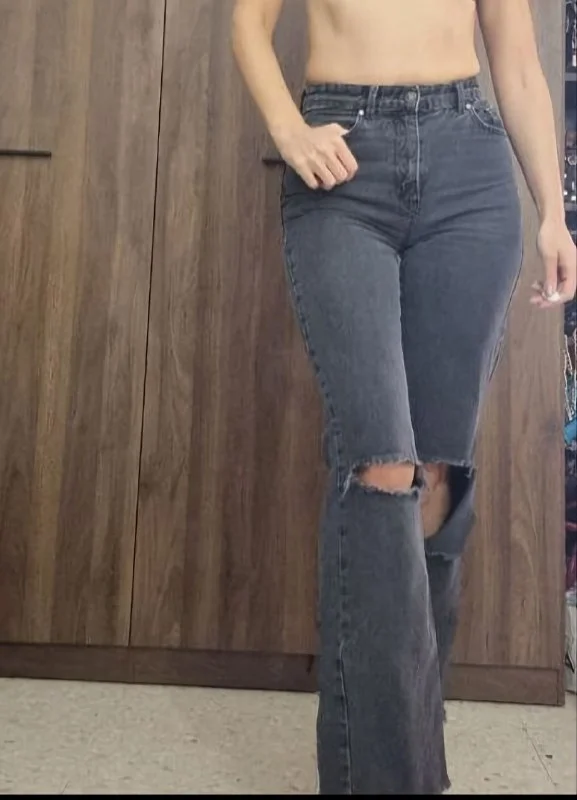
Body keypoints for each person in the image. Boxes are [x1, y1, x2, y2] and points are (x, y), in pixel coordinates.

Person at [232, 0, 577, 794]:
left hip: (468, 166)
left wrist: (553, 216)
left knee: (435, 471)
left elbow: (518, 64)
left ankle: (407, 759)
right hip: (342, 162)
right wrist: (287, 127)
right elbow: (248, 26)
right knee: (380, 467)